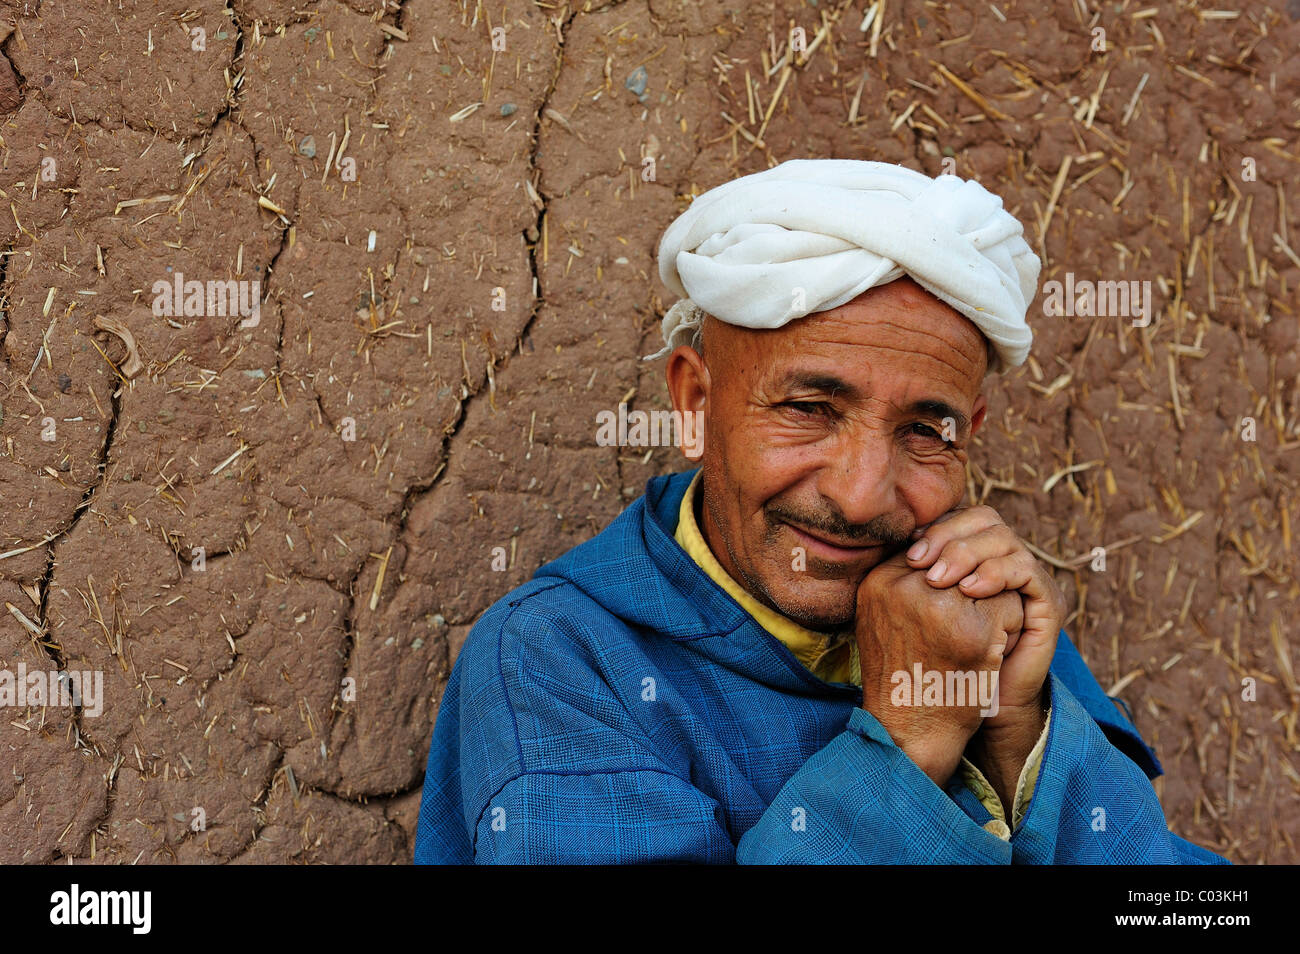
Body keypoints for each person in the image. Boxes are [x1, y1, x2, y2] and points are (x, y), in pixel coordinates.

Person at [414, 159, 1227, 864]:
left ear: (969, 437)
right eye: (808, 409)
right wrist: (911, 741)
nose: (862, 494)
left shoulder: (974, 617)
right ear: (695, 402)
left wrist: (1021, 738)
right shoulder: (560, 662)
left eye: (924, 432)